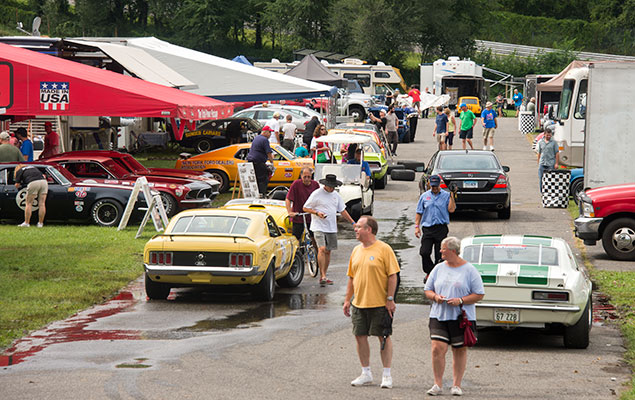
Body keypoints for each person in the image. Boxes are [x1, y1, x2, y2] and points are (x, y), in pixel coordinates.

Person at [343, 216, 400, 390]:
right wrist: (347, 300)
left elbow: (393, 276)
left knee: (383, 337)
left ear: (369, 229)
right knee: (359, 336)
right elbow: (351, 277)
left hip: (380, 303)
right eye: (356, 227)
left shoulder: (384, 249)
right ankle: (366, 373)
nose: (355, 229)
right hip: (359, 303)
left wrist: (390, 299)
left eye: (359, 227)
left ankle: (387, 374)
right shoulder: (356, 250)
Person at [424, 236, 485, 397]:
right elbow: (428, 289)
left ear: (452, 250)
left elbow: (479, 294)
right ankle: (437, 384)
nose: (440, 251)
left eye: (443, 249)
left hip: (461, 317)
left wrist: (460, 300)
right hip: (439, 314)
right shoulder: (438, 268)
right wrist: (436, 297)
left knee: (459, 350)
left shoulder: (470, 270)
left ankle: (456, 385)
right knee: (437, 348)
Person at [303, 174, 356, 285]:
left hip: (331, 227)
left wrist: (352, 222)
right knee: (321, 249)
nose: (332, 188)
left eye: (333, 186)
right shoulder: (317, 194)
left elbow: (342, 210)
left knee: (328, 251)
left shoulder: (336, 195)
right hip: (318, 225)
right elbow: (305, 207)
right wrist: (317, 213)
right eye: (330, 186)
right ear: (325, 185)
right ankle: (322, 276)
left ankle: (324, 274)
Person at [415, 175, 456, 281]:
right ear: (429, 184)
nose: (434, 188)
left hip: (441, 228)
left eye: (436, 186)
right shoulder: (424, 196)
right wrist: (416, 227)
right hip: (428, 228)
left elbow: (451, 210)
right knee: (424, 252)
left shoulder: (446, 195)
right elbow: (419, 212)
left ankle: (438, 274)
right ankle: (430, 271)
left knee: (440, 254)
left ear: (439, 185)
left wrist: (452, 194)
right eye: (432, 186)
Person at [285, 166, 320, 242]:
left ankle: (318, 253)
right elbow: (288, 199)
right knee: (296, 239)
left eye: (309, 177)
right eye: (305, 177)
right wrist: (290, 212)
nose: (307, 179)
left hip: (312, 216)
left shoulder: (315, 185)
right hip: (298, 216)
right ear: (301, 176)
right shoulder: (296, 184)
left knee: (315, 238)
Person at [246, 125, 275, 196]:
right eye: (269, 132)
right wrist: (272, 162)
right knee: (263, 178)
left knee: (255, 178)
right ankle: (261, 193)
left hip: (251, 161)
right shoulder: (265, 140)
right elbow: (268, 152)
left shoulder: (257, 138)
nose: (270, 134)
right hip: (258, 162)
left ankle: (255, 193)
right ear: (265, 132)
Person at [537, 126, 559, 192]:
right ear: (544, 134)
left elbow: (557, 153)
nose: (548, 136)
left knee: (550, 179)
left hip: (550, 163)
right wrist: (538, 161)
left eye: (549, 135)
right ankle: (542, 192)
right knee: (541, 178)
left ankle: (549, 192)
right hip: (542, 163)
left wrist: (556, 163)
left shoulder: (554, 143)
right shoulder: (541, 142)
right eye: (547, 135)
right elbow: (539, 152)